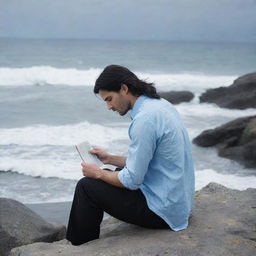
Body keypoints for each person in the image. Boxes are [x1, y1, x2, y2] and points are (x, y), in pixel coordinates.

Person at [66, 65, 195, 245]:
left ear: (124, 89)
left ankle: (79, 245)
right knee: (114, 169)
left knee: (87, 186)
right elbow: (151, 161)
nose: (108, 106)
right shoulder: (160, 105)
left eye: (109, 99)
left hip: (163, 213)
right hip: (179, 203)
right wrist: (109, 158)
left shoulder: (144, 120)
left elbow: (132, 180)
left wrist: (98, 173)